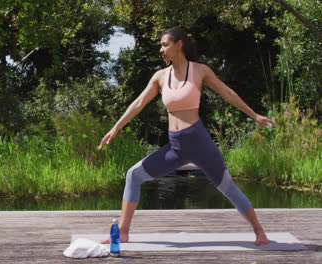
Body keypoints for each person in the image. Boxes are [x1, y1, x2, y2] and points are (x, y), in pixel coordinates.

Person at [98, 27, 275, 246]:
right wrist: (115, 128)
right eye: (161, 45)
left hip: (199, 143)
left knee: (227, 187)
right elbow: (138, 103)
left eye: (165, 44)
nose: (161, 49)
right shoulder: (160, 77)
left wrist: (254, 115)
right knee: (133, 175)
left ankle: (259, 232)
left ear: (179, 44)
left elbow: (227, 93)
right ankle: (123, 232)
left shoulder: (200, 71)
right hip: (175, 147)